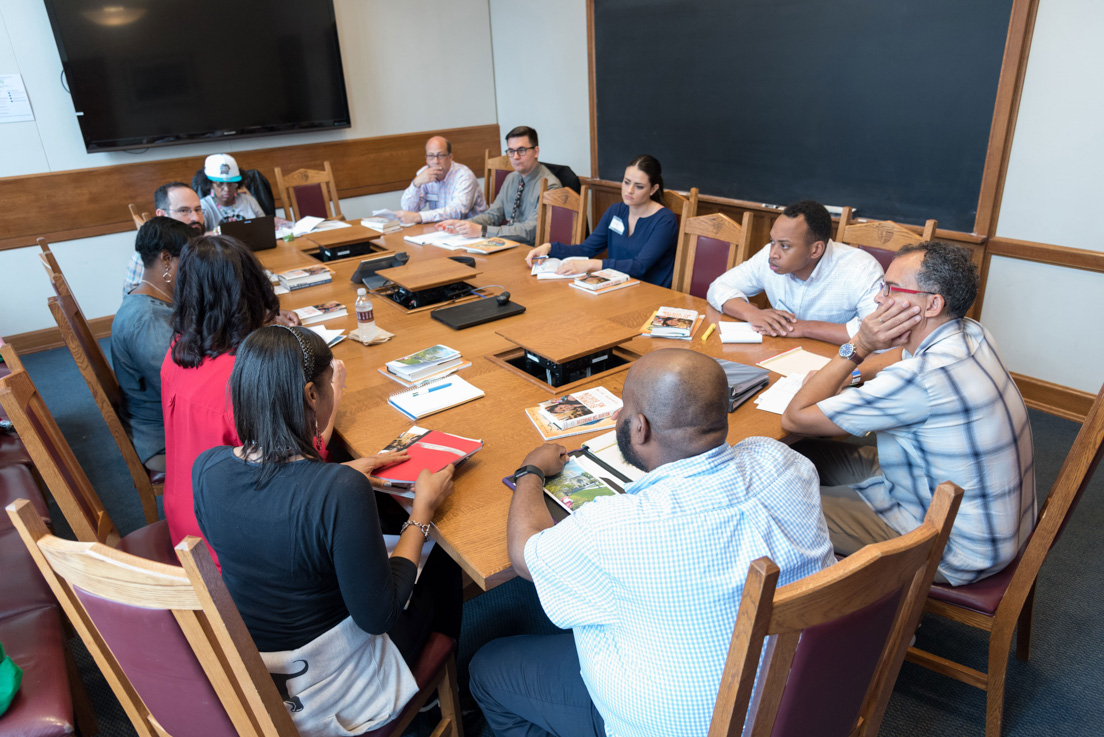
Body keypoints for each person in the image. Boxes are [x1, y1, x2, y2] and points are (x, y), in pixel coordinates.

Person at [469, 349, 834, 737]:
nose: (616, 416)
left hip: (685, 726)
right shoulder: (783, 460)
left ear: (639, 428)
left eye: (623, 409)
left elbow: (526, 556)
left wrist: (530, 471)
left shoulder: (617, 527)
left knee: (488, 668)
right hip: (810, 699)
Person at [193, 325, 462, 736]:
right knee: (441, 562)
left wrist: (334, 475)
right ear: (312, 395)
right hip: (328, 690)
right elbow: (379, 616)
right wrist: (421, 512)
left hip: (257, 676)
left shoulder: (207, 469)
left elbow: (270, 504)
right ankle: (427, 698)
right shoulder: (339, 491)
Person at [782, 241, 1036, 586]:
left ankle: (864, 615)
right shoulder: (972, 333)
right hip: (994, 523)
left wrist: (858, 346)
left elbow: (795, 417)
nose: (878, 299)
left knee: (780, 505)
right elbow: (903, 356)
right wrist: (854, 375)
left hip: (954, 547)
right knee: (800, 453)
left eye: (890, 289)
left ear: (932, 304)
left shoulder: (919, 381)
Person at [160, 235, 302, 558]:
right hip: (232, 546)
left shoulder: (178, 350)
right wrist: (332, 394)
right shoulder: (244, 377)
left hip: (185, 520)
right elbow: (300, 468)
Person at [706, 200, 884, 344]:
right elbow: (718, 287)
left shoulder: (861, 269)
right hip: (780, 353)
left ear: (815, 250)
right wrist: (752, 314)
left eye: (784, 246)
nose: (772, 253)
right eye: (772, 241)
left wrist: (805, 328)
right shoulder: (769, 257)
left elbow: (878, 330)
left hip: (838, 362)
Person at [111, 217, 193, 473]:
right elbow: (184, 392)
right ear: (166, 259)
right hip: (164, 442)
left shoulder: (149, 295)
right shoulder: (146, 320)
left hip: (169, 424)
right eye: (190, 262)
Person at [525, 154, 679, 287]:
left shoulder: (665, 221)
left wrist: (591, 264)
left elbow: (640, 267)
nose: (629, 190)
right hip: (619, 286)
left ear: (653, 189)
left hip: (651, 293)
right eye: (626, 182)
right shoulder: (615, 211)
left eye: (638, 186)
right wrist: (549, 248)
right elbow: (587, 249)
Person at [437, 126, 561, 245]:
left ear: (536, 152)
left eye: (521, 150)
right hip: (506, 243)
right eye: (511, 151)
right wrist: (462, 225)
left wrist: (483, 231)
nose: (516, 157)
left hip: (530, 250)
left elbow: (529, 232)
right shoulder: (511, 178)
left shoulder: (551, 186)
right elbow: (493, 215)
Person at [122, 181, 207, 295]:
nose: (195, 218)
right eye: (183, 211)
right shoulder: (152, 253)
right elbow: (135, 299)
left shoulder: (200, 244)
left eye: (198, 210)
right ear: (162, 215)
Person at [394, 135, 487, 224]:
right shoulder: (423, 174)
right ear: (426, 158)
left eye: (440, 155)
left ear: (450, 157)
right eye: (431, 156)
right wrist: (416, 183)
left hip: (473, 230)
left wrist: (420, 217)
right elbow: (408, 210)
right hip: (441, 229)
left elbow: (458, 212)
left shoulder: (464, 176)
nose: (435, 161)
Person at [200, 153, 268, 231]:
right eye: (220, 184)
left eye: (231, 184)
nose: (226, 189)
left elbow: (265, 226)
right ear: (210, 184)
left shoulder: (249, 201)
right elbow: (199, 237)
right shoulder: (203, 206)